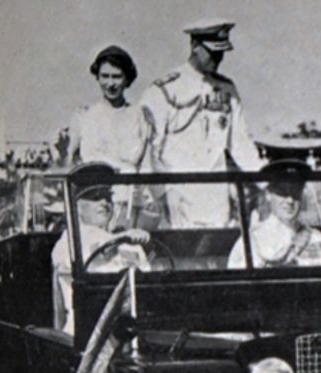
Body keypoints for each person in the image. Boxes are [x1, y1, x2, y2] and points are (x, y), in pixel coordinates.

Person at [138, 19, 263, 227]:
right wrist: (159, 195)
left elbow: (241, 146)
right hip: (177, 197)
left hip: (216, 199)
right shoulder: (165, 90)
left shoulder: (227, 90)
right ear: (194, 46)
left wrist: (269, 182)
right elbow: (149, 150)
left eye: (221, 52)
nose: (218, 58)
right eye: (212, 52)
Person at [51, 172, 150, 334]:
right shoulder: (68, 242)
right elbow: (92, 248)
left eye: (107, 197)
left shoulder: (130, 246)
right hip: (86, 333)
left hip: (130, 331)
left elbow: (147, 288)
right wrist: (124, 237)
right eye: (95, 197)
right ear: (76, 206)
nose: (104, 202)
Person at [228, 168, 321, 268]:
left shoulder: (320, 241)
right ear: (268, 195)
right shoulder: (250, 243)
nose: (290, 200)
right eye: (282, 191)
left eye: (295, 192)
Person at [56, 45, 144, 172]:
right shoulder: (84, 116)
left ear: (127, 79)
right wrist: (63, 152)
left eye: (116, 76)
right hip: (93, 189)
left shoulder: (138, 115)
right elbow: (66, 166)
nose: (110, 84)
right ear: (97, 77)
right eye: (105, 76)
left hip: (129, 189)